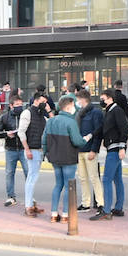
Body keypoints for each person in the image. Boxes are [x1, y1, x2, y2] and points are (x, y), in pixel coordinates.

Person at [40, 94, 89, 223]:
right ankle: (66, 214)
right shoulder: (71, 122)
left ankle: (54, 214)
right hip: (69, 158)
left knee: (58, 185)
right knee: (69, 186)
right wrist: (86, 139)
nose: (75, 108)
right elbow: (77, 141)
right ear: (68, 107)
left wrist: (47, 154)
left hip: (55, 158)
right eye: (73, 105)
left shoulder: (51, 121)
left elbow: (44, 140)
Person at [98, 89, 128, 219]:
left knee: (106, 180)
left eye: (103, 98)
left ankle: (106, 210)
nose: (101, 101)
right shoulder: (109, 111)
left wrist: (122, 147)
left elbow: (124, 129)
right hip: (113, 147)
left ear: (110, 98)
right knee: (117, 179)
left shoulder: (116, 111)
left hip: (115, 148)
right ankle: (118, 208)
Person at [73, 91, 104, 216]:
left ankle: (100, 203)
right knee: (82, 178)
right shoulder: (79, 114)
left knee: (94, 178)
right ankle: (85, 203)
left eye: (78, 99)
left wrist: (94, 149)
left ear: (83, 99)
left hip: (90, 150)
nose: (77, 102)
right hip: (80, 149)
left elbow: (98, 132)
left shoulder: (95, 112)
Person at [21, 91, 49, 216]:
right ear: (36, 101)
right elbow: (21, 132)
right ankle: (28, 206)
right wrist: (27, 149)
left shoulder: (41, 115)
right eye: (43, 102)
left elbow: (51, 122)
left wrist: (48, 111)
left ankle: (31, 204)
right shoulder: (27, 113)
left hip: (39, 149)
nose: (45, 104)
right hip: (32, 149)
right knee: (31, 178)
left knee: (33, 177)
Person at [0, 92, 26, 208]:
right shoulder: (5, 117)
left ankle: (29, 197)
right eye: (17, 104)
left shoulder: (25, 116)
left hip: (24, 148)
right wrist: (6, 134)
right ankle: (11, 196)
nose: (20, 106)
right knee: (9, 173)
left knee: (28, 173)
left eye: (21, 104)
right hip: (10, 149)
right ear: (11, 106)